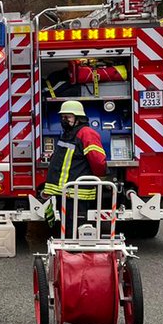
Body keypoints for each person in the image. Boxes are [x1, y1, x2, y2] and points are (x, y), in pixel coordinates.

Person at [41, 99, 108, 237]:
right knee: (67, 227)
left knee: (75, 227)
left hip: (77, 192)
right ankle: (68, 252)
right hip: (65, 192)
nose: (64, 120)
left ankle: (74, 254)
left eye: (68, 117)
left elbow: (98, 160)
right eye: (62, 117)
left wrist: (100, 176)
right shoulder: (68, 134)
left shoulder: (87, 133)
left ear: (79, 118)